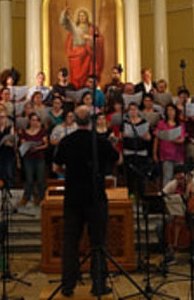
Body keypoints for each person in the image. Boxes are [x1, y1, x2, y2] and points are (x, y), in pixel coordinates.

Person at [53, 105, 119, 297]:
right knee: (98, 243)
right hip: (95, 197)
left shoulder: (66, 141)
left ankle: (67, 286)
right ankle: (98, 285)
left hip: (73, 197)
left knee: (70, 243)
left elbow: (56, 167)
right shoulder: (99, 141)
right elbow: (117, 160)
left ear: (75, 121)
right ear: (91, 121)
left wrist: (71, 172)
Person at [158, 164, 194, 262]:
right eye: (177, 179)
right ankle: (168, 253)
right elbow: (162, 193)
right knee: (160, 226)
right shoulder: (174, 184)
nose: (180, 181)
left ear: (187, 176)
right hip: (178, 215)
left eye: (181, 178)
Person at [60, 6, 104, 89]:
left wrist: (90, 37)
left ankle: (86, 89)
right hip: (76, 54)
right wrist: (64, 13)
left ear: (87, 17)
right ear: (78, 17)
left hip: (87, 54)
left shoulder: (92, 28)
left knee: (86, 75)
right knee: (76, 76)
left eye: (84, 15)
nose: (82, 17)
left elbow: (99, 39)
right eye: (80, 16)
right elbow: (64, 23)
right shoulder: (74, 27)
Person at [122, 102, 152, 197]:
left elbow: (149, 137)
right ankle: (130, 198)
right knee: (130, 177)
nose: (133, 112)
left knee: (141, 177)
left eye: (134, 109)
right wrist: (123, 135)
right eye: (131, 109)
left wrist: (146, 137)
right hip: (129, 152)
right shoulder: (125, 123)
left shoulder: (144, 122)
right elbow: (120, 136)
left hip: (141, 152)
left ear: (138, 111)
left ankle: (141, 198)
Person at [19, 113, 49, 207]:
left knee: (40, 179)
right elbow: (23, 143)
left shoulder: (42, 131)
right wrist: (28, 146)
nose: (34, 122)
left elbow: (46, 144)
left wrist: (37, 148)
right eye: (33, 120)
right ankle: (27, 196)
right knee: (29, 179)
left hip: (39, 157)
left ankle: (41, 197)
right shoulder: (25, 131)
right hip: (28, 157)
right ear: (29, 121)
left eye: (36, 120)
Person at [153, 103, 186, 186]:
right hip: (166, 153)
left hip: (178, 154)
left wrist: (173, 139)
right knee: (167, 176)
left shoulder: (180, 124)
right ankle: (167, 197)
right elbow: (157, 138)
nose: (170, 112)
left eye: (172, 110)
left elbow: (182, 139)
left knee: (179, 177)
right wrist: (154, 153)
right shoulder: (162, 123)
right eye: (168, 110)